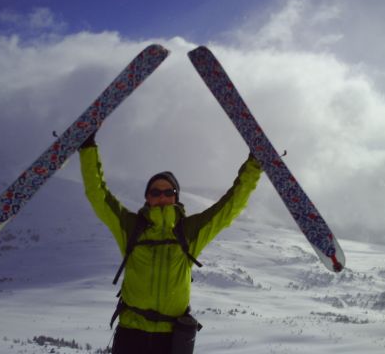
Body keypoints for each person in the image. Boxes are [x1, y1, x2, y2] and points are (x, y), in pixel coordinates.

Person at [79, 133, 262, 354]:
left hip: (171, 338)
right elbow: (98, 196)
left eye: (168, 192)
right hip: (131, 333)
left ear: (176, 197)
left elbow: (230, 206)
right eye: (155, 192)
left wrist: (255, 165)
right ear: (147, 197)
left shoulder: (189, 231)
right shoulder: (130, 227)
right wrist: (88, 148)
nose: (162, 196)